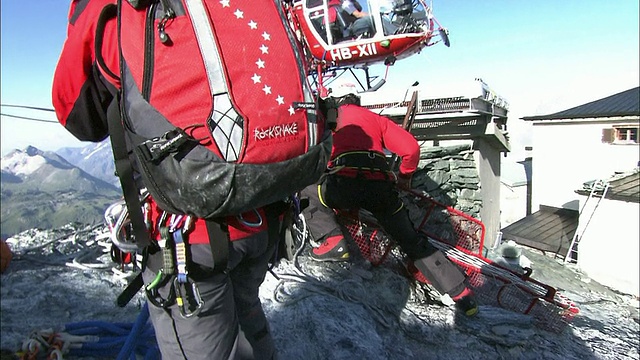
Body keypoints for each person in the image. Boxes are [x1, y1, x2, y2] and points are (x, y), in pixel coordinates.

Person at [52, 0, 320, 358]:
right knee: (247, 316)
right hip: (268, 199)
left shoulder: (105, 5)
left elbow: (76, 114)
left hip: (190, 233)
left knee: (202, 342)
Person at [308, 82, 479, 316]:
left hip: (343, 185)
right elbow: (411, 148)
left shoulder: (330, 115)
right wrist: (404, 177)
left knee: (308, 189)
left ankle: (333, 240)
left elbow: (311, 145)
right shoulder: (376, 120)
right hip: (380, 189)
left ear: (335, 99)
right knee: (411, 239)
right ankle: (462, 295)